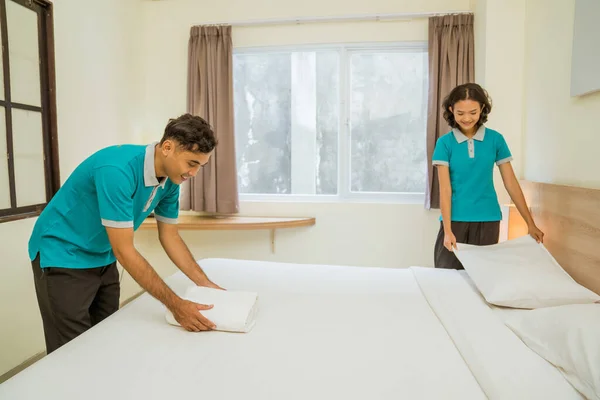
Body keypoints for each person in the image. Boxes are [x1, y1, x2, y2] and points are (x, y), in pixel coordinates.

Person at [28, 113, 224, 354]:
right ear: (167, 147)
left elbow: (170, 236)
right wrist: (176, 305)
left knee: (106, 337)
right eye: (191, 163)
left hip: (103, 255)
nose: (193, 173)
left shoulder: (172, 180)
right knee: (71, 352)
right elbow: (125, 249)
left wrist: (205, 284)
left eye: (200, 166)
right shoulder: (117, 170)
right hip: (62, 253)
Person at [431, 83, 544, 269]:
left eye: (473, 112)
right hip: (455, 220)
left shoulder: (495, 139)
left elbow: (511, 184)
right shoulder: (445, 143)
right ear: (451, 110)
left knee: (484, 276)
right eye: (460, 113)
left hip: (488, 220)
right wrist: (448, 229)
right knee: (446, 273)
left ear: (482, 108)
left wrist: (530, 224)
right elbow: (445, 188)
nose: (466, 118)